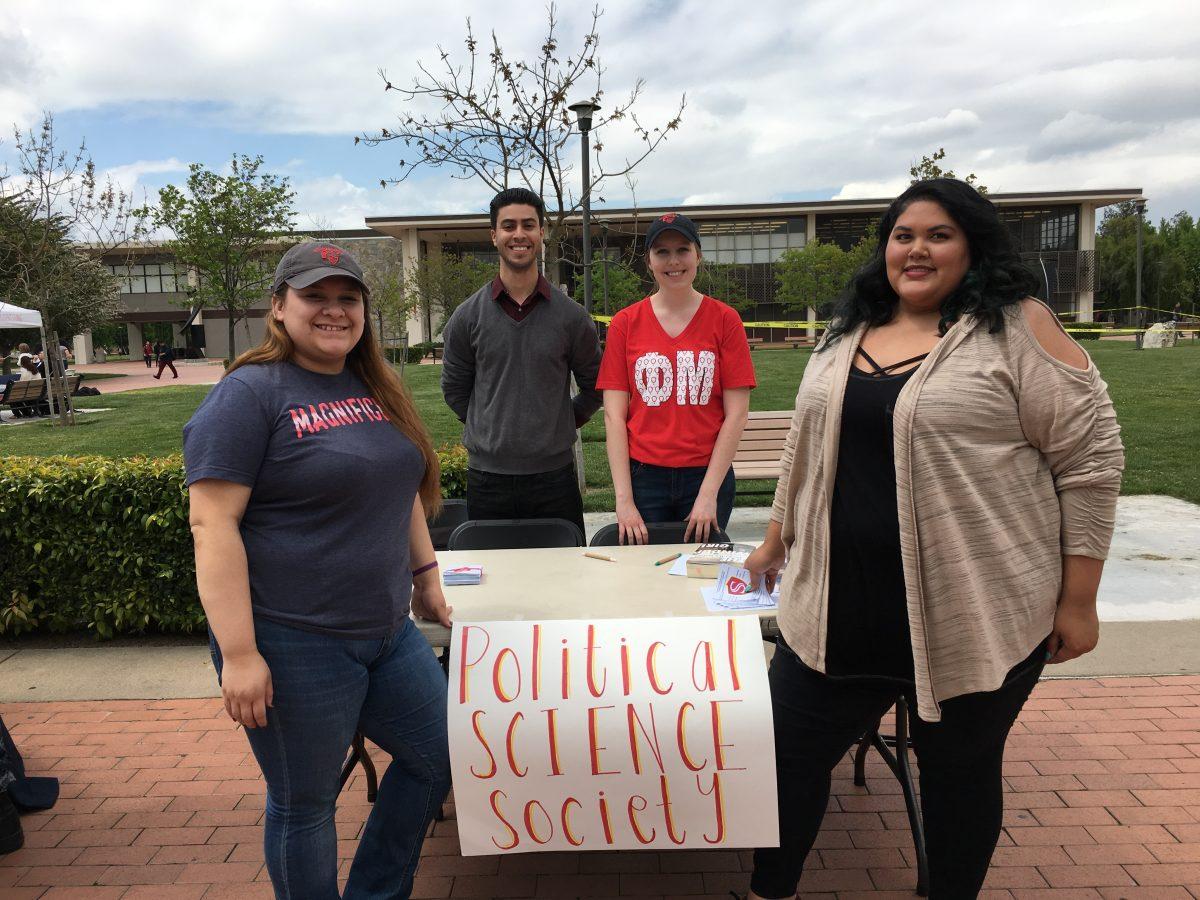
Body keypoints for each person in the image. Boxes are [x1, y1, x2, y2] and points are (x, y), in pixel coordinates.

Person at [740, 178, 1125, 900]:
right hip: (833, 611)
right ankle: (771, 890)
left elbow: (1092, 461)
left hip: (973, 616)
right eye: (902, 234)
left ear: (972, 244)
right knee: (783, 754)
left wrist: (1080, 599)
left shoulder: (1018, 326)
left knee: (958, 775)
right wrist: (774, 539)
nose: (916, 249)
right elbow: (804, 444)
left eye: (938, 234)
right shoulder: (848, 326)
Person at [183, 241, 452, 899]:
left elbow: (402, 490)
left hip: (385, 633)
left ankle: (376, 891)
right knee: (304, 802)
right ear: (279, 307)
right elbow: (211, 524)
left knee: (438, 757)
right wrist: (241, 654)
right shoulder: (249, 394)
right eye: (314, 296)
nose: (334, 311)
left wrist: (425, 577)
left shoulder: (371, 386)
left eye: (347, 298)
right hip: (292, 638)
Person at [441, 187, 602, 536]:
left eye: (529, 225)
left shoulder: (572, 318)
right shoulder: (467, 317)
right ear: (494, 235)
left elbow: (595, 387)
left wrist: (558, 422)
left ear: (541, 234)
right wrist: (488, 425)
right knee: (494, 583)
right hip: (488, 480)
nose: (519, 234)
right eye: (509, 225)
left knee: (565, 579)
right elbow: (454, 389)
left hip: (554, 480)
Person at [596, 213, 755, 543]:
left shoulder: (725, 321)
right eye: (662, 252)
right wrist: (623, 499)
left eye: (682, 249)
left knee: (700, 578)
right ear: (649, 261)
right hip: (644, 478)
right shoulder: (625, 324)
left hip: (706, 475)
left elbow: (737, 413)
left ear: (698, 254)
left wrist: (708, 493)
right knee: (643, 577)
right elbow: (614, 415)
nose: (673, 261)